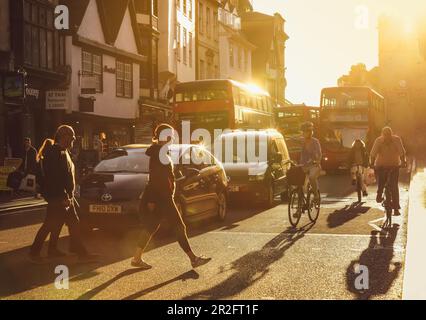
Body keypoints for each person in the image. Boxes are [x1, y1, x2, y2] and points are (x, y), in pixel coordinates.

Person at [131, 124, 211, 270]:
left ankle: (136, 259)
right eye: (171, 136)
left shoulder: (160, 152)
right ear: (165, 136)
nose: (173, 138)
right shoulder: (158, 153)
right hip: (162, 198)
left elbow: (163, 176)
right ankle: (193, 259)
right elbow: (155, 178)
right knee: (179, 226)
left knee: (151, 227)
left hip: (162, 196)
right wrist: (152, 200)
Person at [29, 125, 97, 263]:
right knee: (53, 224)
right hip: (59, 197)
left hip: (64, 196)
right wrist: (64, 196)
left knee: (58, 223)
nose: (72, 141)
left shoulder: (63, 151)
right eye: (71, 138)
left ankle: (53, 250)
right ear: (63, 137)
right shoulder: (54, 152)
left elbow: (66, 175)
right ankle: (35, 253)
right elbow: (55, 177)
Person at [370, 127, 406, 216]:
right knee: (381, 182)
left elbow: (402, 153)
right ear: (382, 135)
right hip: (381, 166)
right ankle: (379, 194)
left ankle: (396, 208)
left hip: (394, 166)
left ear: (391, 134)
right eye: (385, 135)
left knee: (394, 186)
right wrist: (372, 163)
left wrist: (403, 162)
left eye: (388, 135)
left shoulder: (397, 140)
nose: (387, 137)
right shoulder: (378, 141)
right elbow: (373, 153)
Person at [300, 122, 322, 201]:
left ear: (311, 132)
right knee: (299, 183)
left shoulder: (315, 141)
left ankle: (316, 195)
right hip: (303, 166)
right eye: (304, 131)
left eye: (308, 131)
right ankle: (300, 205)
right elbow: (298, 152)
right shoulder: (301, 141)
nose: (306, 133)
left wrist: (317, 160)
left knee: (312, 177)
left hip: (314, 165)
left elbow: (319, 153)